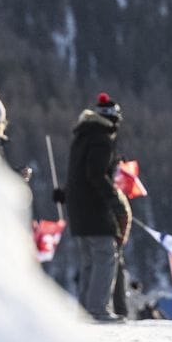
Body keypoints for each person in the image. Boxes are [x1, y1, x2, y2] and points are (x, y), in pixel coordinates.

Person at [63, 92, 131, 323]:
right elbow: (96, 174)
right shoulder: (102, 139)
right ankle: (98, 309)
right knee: (105, 257)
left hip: (78, 209)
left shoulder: (81, 137)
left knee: (89, 261)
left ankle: (85, 310)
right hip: (94, 209)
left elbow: (78, 174)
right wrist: (112, 197)